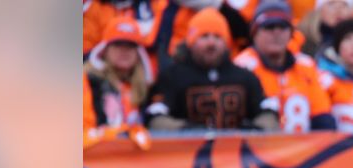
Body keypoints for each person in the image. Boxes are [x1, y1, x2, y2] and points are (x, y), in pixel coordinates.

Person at [144, 8, 279, 130]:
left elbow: (268, 114)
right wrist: (186, 130)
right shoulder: (172, 76)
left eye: (217, 37)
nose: (211, 43)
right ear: (191, 42)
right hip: (188, 154)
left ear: (227, 43)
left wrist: (254, 130)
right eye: (204, 36)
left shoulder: (245, 76)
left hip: (236, 154)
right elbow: (155, 117)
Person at [234, 1, 336, 133]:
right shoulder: (243, 67)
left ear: (291, 33)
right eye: (269, 27)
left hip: (306, 149)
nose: (276, 33)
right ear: (255, 32)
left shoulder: (306, 65)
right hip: (258, 149)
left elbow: (322, 116)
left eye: (282, 27)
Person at [85, 17, 156, 128]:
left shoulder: (147, 88)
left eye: (130, 46)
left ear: (138, 53)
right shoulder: (89, 82)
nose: (124, 51)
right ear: (105, 49)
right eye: (118, 44)